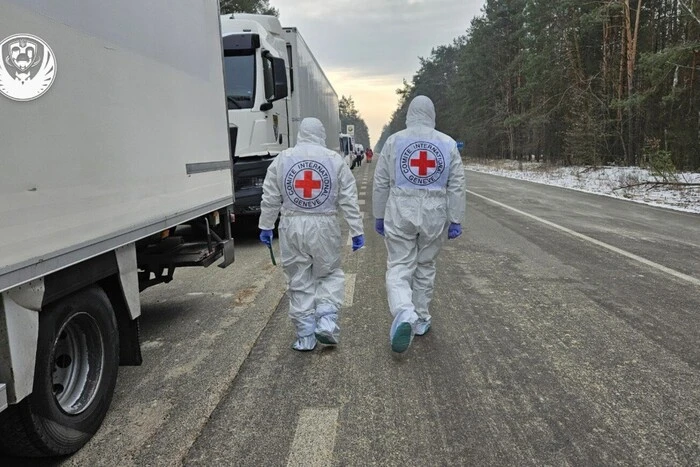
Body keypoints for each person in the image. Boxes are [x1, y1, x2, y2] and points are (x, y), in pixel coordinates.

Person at [259, 117, 365, 351]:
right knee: (327, 274)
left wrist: (266, 226)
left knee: (298, 278)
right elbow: (348, 198)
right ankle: (326, 320)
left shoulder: (283, 159)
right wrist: (356, 230)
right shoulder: (333, 159)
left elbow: (270, 196)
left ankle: (305, 335)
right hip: (324, 225)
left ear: (300, 134)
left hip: (292, 225)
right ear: (321, 134)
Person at [372, 95, 465, 353]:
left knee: (400, 265)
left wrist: (379, 214)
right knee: (425, 265)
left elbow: (380, 182)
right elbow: (456, 184)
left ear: (409, 114)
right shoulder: (447, 143)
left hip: (401, 209)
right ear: (432, 114)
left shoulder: (394, 141)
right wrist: (455, 218)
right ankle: (421, 318)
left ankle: (404, 312)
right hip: (435, 212)